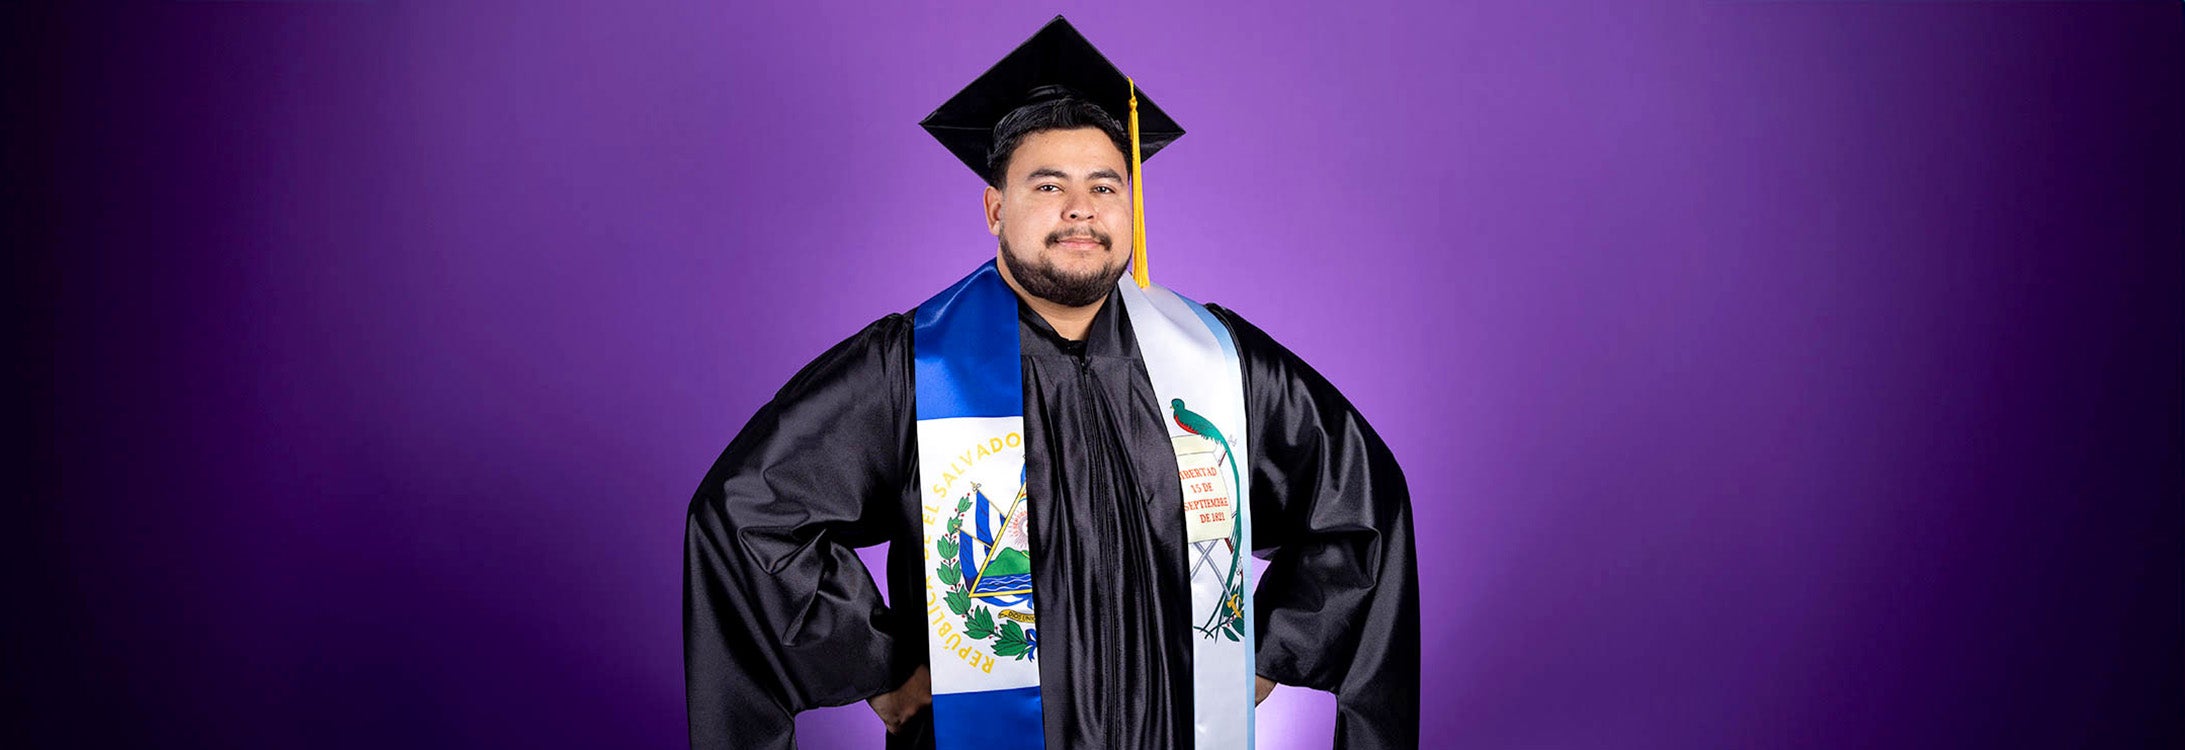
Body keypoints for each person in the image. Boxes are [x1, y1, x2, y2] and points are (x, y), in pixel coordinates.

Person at [684, 16, 1417, 750]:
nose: (1080, 208)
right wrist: (878, 664)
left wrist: (1263, 653)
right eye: (1048, 184)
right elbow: (749, 512)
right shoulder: (913, 364)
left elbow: (1359, 505)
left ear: (1129, 206)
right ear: (995, 209)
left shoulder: (1217, 359)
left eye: (1104, 184)